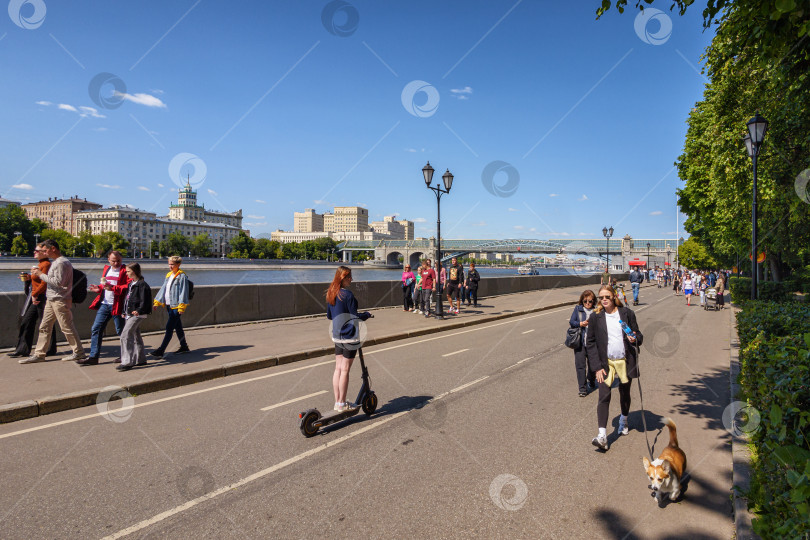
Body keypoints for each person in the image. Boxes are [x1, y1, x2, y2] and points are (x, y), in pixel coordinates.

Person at [586, 285, 643, 450]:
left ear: (614, 297)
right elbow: (590, 343)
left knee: (625, 392)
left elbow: (639, 335)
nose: (604, 300)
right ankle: (602, 435)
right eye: (601, 297)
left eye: (607, 297)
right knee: (603, 395)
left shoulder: (627, 314)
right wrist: (596, 367)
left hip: (625, 361)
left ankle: (624, 420)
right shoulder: (596, 318)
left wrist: (634, 338)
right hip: (605, 364)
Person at [20, 239, 87, 363]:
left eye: (46, 251)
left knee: (66, 327)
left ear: (53, 249)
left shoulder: (61, 263)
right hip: (52, 299)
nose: (45, 253)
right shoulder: (57, 262)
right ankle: (39, 354)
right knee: (44, 327)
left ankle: (79, 352)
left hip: (59, 299)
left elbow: (58, 282)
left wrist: (40, 274)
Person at [326, 266, 371, 412]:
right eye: (349, 277)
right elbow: (354, 317)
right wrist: (366, 315)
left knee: (338, 368)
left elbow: (329, 316)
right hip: (349, 336)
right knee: (345, 370)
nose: (351, 279)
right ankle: (342, 403)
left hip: (337, 335)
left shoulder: (331, 293)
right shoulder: (348, 295)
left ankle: (337, 402)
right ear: (342, 278)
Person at [9, 245, 57, 358]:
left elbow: (44, 283)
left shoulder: (46, 264)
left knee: (45, 323)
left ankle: (49, 349)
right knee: (28, 322)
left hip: (42, 298)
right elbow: (38, 280)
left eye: (37, 251)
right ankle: (23, 350)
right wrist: (29, 277)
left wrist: (35, 295)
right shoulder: (40, 265)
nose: (34, 252)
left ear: (44, 252)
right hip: (36, 297)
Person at [84, 251, 130, 365]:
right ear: (109, 260)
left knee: (122, 331)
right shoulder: (107, 269)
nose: (116, 263)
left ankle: (126, 356)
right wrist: (99, 288)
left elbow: (128, 287)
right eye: (113, 261)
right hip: (105, 304)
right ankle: (93, 357)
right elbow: (106, 285)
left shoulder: (125, 270)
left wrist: (113, 288)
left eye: (118, 261)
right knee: (96, 328)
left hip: (118, 305)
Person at [150, 256, 191, 357]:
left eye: (172, 264)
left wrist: (181, 307)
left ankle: (161, 350)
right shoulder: (169, 275)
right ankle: (184, 346)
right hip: (168, 305)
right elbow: (163, 289)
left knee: (169, 328)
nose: (170, 266)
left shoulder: (182, 276)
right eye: (169, 264)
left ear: (178, 265)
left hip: (176, 306)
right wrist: (157, 302)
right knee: (178, 327)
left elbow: (183, 292)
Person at [117, 263, 152, 371]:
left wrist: (138, 310)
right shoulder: (131, 284)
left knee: (125, 335)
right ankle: (140, 359)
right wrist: (124, 311)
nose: (126, 273)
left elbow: (145, 301)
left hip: (137, 314)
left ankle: (127, 362)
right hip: (129, 313)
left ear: (134, 271)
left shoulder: (142, 285)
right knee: (136, 336)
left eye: (128, 271)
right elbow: (127, 299)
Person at [570, 290, 597, 397]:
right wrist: (580, 323)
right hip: (580, 343)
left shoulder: (597, 311)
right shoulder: (578, 309)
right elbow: (572, 322)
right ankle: (582, 389)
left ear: (593, 301)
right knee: (580, 366)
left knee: (592, 366)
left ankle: (591, 379)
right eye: (585, 301)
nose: (587, 303)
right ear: (582, 300)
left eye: (590, 301)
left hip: (593, 344)